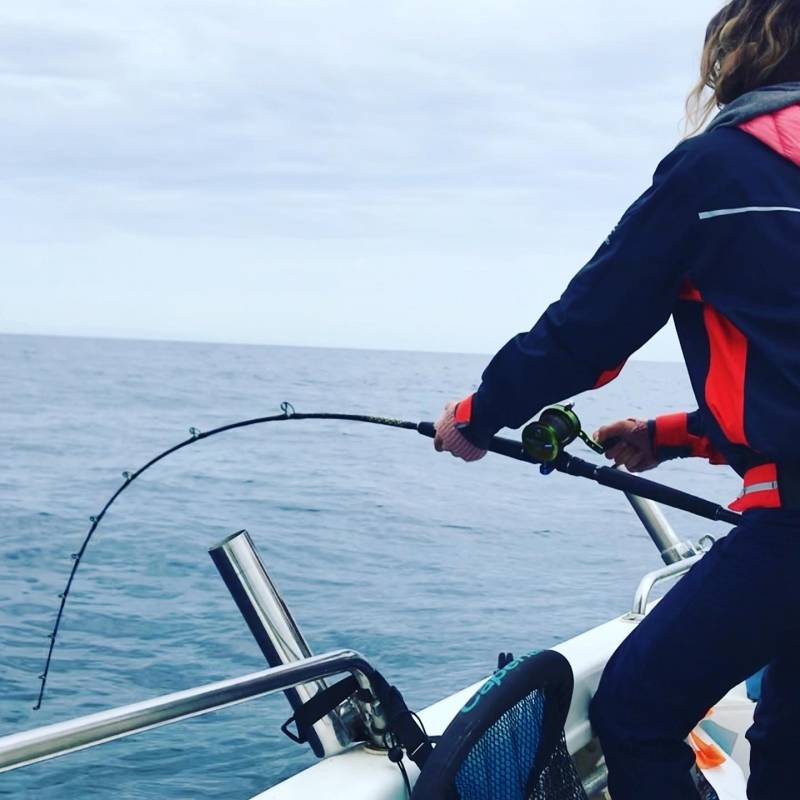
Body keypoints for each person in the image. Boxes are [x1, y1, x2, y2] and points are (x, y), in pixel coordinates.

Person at [432, 1, 800, 797]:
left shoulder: (716, 170)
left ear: (738, 54)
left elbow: (590, 334)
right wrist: (669, 434)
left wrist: (475, 416)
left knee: (634, 704)